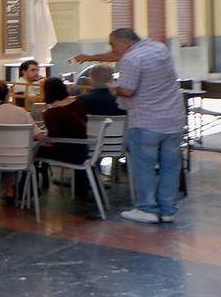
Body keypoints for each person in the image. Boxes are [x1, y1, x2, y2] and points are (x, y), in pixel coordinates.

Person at [75, 28, 183, 224]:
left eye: (113, 45)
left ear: (123, 42)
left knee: (144, 166)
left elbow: (128, 90)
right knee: (170, 167)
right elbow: (117, 55)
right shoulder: (159, 48)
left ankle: (147, 208)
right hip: (173, 119)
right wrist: (89, 57)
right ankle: (168, 210)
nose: (112, 49)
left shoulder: (131, 59)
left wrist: (113, 89)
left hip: (146, 121)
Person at [0, 80, 33, 201]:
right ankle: (10, 189)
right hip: (16, 159)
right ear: (7, 94)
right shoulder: (21, 112)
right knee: (11, 147)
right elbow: (37, 135)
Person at [35, 78, 88, 165]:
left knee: (34, 150)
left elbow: (53, 138)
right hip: (83, 149)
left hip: (66, 152)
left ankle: (39, 173)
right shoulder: (78, 103)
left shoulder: (51, 113)